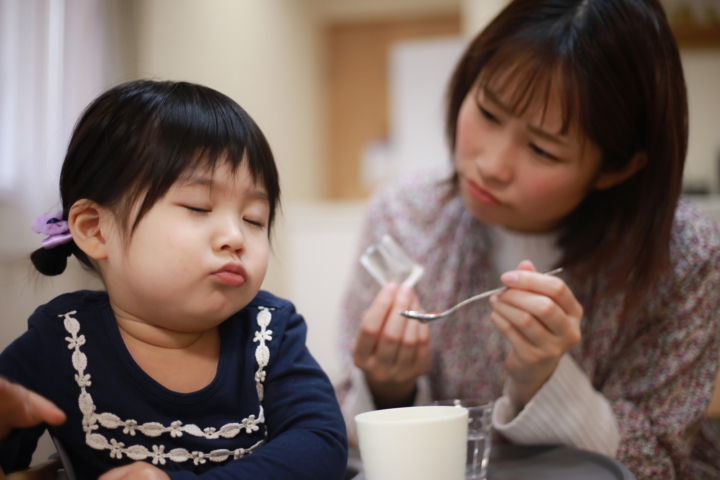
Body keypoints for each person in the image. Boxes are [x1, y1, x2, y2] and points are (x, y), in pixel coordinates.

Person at [334, 0, 720, 478]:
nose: (491, 165)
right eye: (489, 113)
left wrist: (547, 380)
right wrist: (389, 387)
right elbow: (345, 430)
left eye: (541, 148)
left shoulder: (684, 258)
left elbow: (663, 460)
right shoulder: (405, 214)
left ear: (617, 167)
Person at [0, 80, 348, 480]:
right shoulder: (60, 341)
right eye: (199, 207)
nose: (235, 237)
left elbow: (321, 442)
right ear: (96, 229)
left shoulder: (271, 331)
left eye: (254, 219)